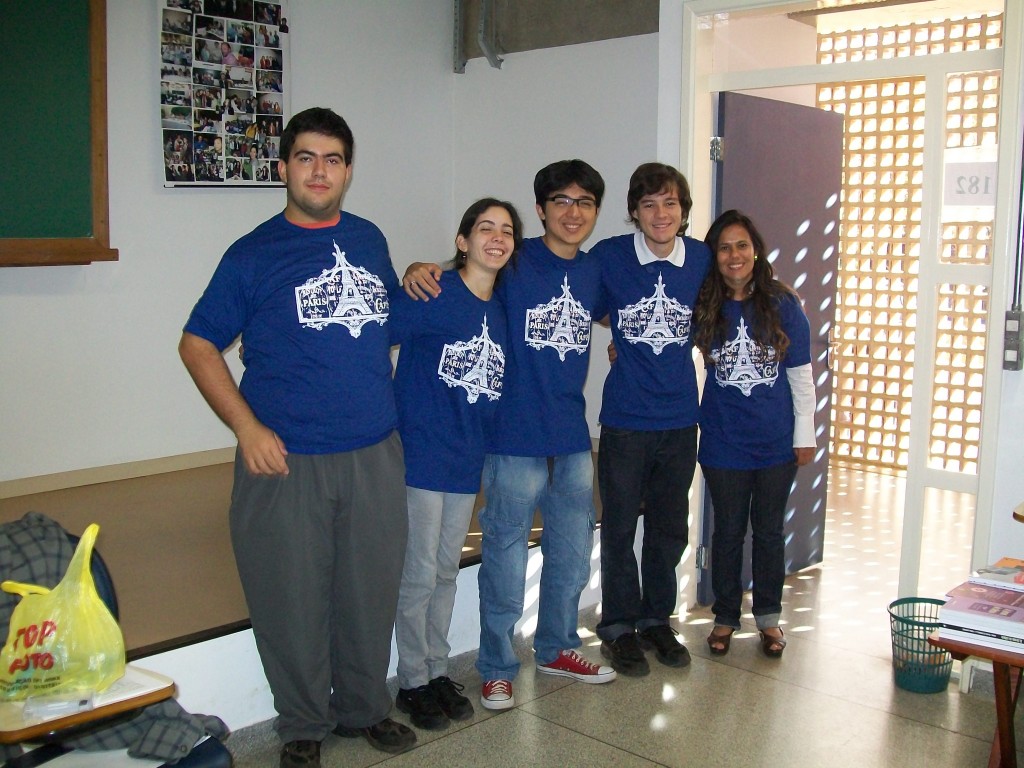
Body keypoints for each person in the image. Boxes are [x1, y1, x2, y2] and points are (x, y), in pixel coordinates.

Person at [178, 107, 415, 768]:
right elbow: (197, 344)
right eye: (306, 158)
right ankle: (303, 723)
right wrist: (246, 427)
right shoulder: (253, 254)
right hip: (285, 459)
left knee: (368, 594)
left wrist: (422, 277)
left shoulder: (368, 239)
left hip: (373, 450)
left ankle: (366, 709)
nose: (320, 171)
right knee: (290, 598)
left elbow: (380, 320)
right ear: (283, 168)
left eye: (333, 159)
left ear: (347, 171)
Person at [403, 160, 616, 711]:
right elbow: (465, 276)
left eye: (585, 203)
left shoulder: (594, 272)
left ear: (596, 212)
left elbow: (634, 315)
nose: (574, 213)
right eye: (562, 201)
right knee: (504, 557)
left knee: (571, 554)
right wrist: (419, 268)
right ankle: (497, 665)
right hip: (510, 437)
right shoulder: (514, 262)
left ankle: (558, 646)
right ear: (541, 210)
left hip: (571, 437)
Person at [390, 198, 521, 731]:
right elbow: (375, 333)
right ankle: (412, 680)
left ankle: (438, 670)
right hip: (421, 453)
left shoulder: (504, 309)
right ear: (462, 242)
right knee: (419, 573)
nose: (496, 236)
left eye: (507, 230)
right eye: (484, 228)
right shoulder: (433, 291)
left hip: (467, 459)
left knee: (446, 570)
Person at [591, 162, 711, 677]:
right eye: (648, 204)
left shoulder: (701, 258)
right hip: (624, 419)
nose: (660, 214)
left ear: (683, 210)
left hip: (681, 419)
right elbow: (589, 304)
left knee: (668, 528)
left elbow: (734, 294)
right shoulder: (611, 257)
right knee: (618, 527)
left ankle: (656, 619)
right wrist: (621, 331)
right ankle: (617, 625)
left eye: (670, 203)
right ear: (634, 212)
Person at [694, 209, 816, 658]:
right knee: (726, 532)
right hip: (723, 441)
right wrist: (622, 347)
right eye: (724, 247)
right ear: (714, 256)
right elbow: (668, 347)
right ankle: (725, 616)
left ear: (756, 250)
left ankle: (769, 618)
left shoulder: (784, 304)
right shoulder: (703, 304)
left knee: (767, 531)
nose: (733, 255)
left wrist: (805, 434)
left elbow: (801, 376)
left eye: (741, 245)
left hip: (776, 444)